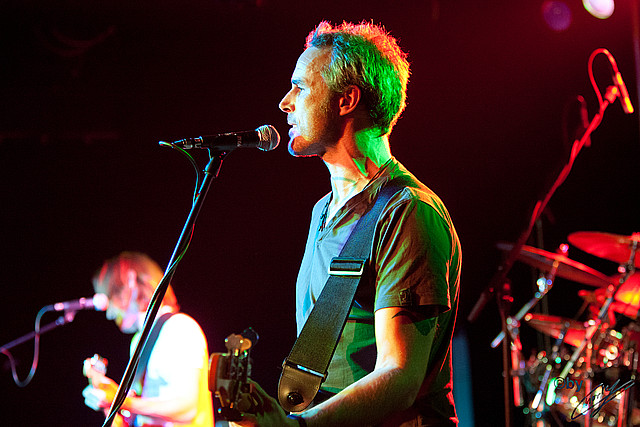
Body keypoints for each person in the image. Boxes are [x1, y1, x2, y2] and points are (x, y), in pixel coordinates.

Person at [236, 21, 462, 427]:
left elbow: (400, 376)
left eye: (300, 87)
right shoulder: (322, 210)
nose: (285, 103)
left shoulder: (408, 211)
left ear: (346, 100)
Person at [82, 251, 214, 427]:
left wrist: (120, 401)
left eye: (111, 294)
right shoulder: (138, 342)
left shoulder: (179, 327)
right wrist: (106, 401)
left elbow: (187, 409)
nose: (109, 312)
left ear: (131, 283)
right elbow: (139, 415)